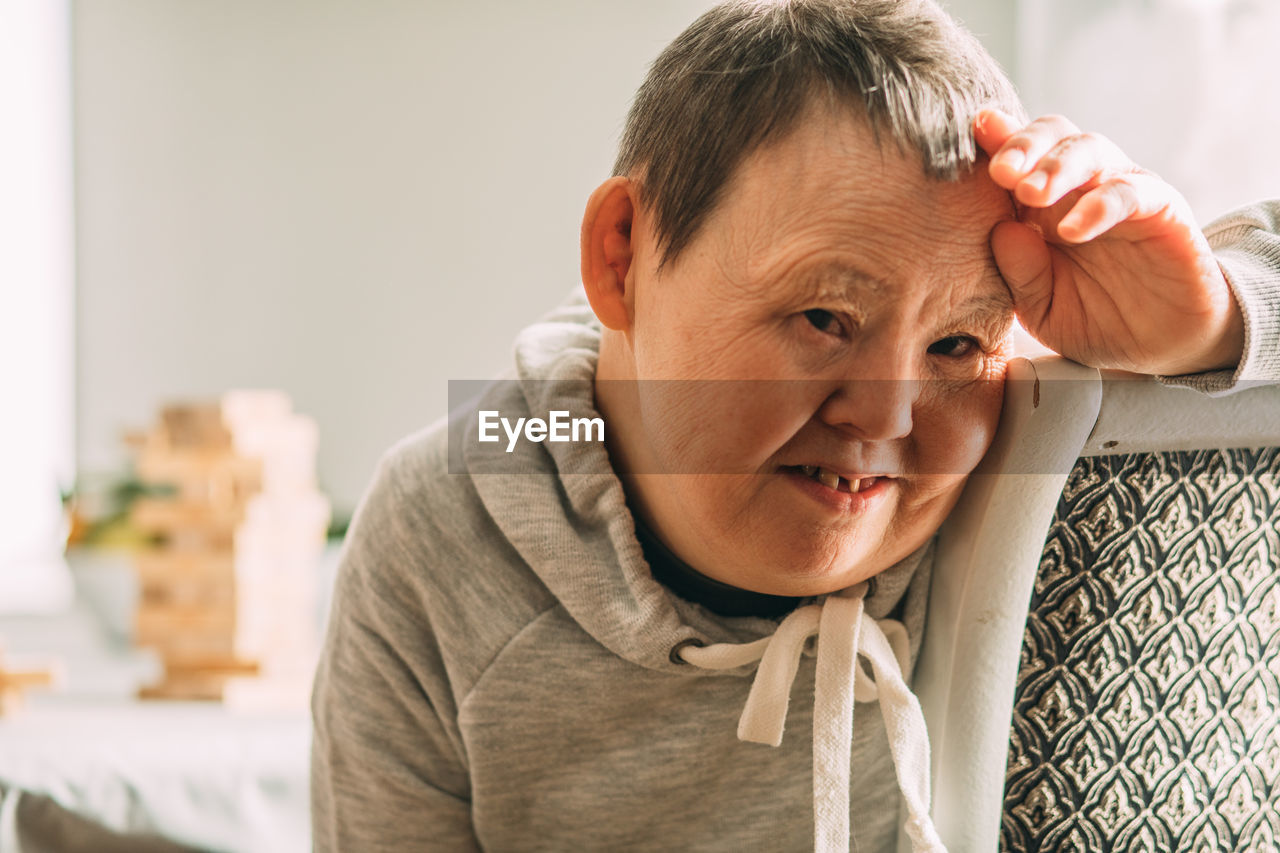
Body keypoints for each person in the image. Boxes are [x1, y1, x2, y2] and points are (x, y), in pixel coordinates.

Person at [310, 1, 1280, 850]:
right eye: (823, 318)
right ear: (621, 257)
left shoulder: (1017, 463)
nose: (887, 416)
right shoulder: (449, 509)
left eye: (952, 346)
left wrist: (1215, 320)